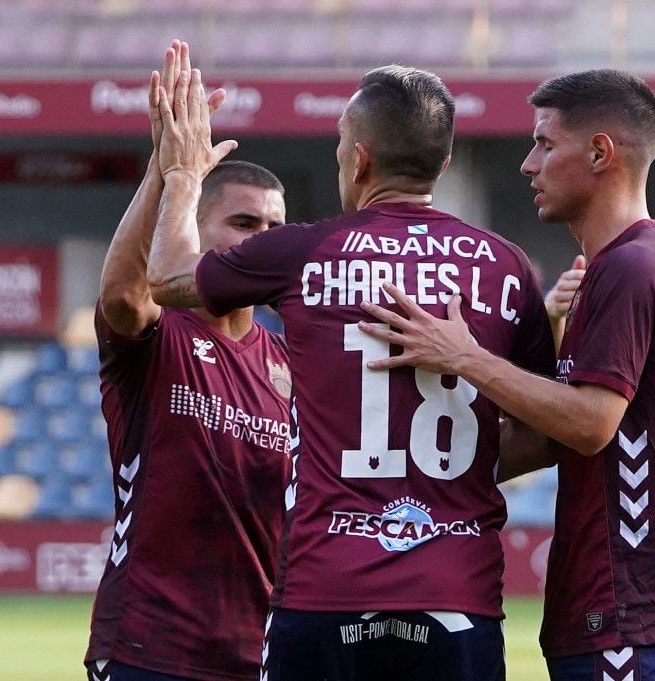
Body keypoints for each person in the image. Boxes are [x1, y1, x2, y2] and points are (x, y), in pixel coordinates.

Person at [146, 56, 554, 681]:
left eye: (340, 145)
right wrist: (456, 471)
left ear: (358, 158)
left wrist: (180, 176)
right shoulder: (507, 267)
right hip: (457, 598)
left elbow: (166, 279)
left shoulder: (306, 251)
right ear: (442, 165)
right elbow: (543, 433)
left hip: (325, 594)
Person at [357, 69, 655, 681]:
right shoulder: (650, 262)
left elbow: (589, 423)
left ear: (601, 152)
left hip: (628, 610)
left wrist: (464, 355)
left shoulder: (631, 269)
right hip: (627, 610)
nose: (528, 164)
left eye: (546, 144)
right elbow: (559, 433)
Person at [85, 41, 292, 681]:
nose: (265, 241)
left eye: (275, 227)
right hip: (151, 648)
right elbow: (122, 296)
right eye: (244, 224)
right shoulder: (160, 335)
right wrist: (168, 174)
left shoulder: (293, 363)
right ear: (197, 230)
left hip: (262, 653)